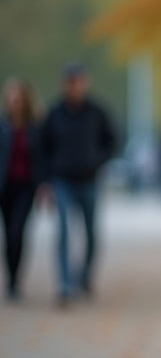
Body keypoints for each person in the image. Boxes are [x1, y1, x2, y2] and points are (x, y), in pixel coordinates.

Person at [40, 63, 117, 304]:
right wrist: (46, 180)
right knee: (63, 231)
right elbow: (42, 148)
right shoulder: (54, 114)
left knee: (91, 233)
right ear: (64, 84)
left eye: (78, 81)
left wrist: (98, 161)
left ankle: (83, 276)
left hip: (89, 180)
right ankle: (65, 284)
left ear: (85, 83)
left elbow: (112, 141)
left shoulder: (97, 112)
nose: (74, 86)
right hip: (62, 179)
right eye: (70, 81)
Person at [0, 78, 44, 301]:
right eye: (10, 96)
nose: (13, 101)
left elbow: (43, 157)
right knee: (8, 234)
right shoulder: (2, 126)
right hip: (4, 187)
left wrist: (44, 184)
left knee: (17, 233)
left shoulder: (35, 128)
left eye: (17, 97)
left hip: (26, 187)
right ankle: (11, 280)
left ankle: (16, 280)